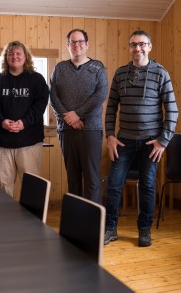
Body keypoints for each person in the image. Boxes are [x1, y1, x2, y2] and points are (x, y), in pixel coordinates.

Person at [104, 30, 178, 248]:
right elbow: (110, 109)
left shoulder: (161, 73)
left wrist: (163, 141)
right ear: (129, 47)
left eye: (142, 44)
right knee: (114, 185)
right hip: (123, 141)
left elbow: (172, 110)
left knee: (147, 186)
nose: (138, 48)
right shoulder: (119, 73)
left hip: (150, 143)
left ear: (150, 46)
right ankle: (110, 229)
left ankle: (144, 230)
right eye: (134, 45)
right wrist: (110, 135)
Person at [50, 29, 108, 203]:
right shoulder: (59, 68)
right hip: (66, 131)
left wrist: (77, 115)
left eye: (81, 41)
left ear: (87, 44)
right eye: (73, 42)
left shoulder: (98, 67)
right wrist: (68, 118)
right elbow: (53, 96)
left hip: (91, 129)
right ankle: (75, 223)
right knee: (73, 178)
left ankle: (93, 222)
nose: (77, 45)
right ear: (68, 46)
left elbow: (100, 95)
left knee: (92, 178)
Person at [0, 41, 49, 198]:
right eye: (10, 53)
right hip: (1, 143)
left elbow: (40, 106)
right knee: (3, 187)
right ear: (6, 57)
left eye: (18, 53)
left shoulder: (37, 79)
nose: (14, 56)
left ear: (25, 57)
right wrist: (2, 121)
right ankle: (6, 221)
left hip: (29, 143)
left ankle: (31, 222)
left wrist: (24, 123)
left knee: (30, 187)